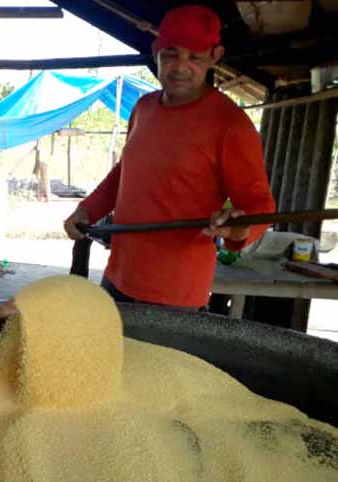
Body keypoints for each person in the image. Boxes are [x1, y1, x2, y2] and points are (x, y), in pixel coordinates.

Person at [63, 4, 276, 309]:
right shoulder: (143, 108)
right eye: (171, 54)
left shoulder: (230, 124)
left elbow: (260, 204)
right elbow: (125, 173)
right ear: (156, 51)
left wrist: (238, 228)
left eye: (195, 57)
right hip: (118, 275)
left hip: (176, 293)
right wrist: (87, 210)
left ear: (215, 57)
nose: (180, 67)